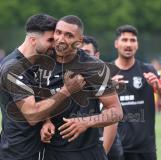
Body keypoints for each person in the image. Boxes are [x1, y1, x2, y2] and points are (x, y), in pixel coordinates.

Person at [0, 14, 86, 160]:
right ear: (33, 40)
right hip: (18, 153)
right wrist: (66, 91)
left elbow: (41, 95)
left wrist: (47, 120)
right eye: (50, 40)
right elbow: (32, 114)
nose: (54, 44)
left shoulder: (39, 62)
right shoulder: (14, 68)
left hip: (38, 150)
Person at [40, 15, 123, 160]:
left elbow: (116, 111)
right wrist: (45, 121)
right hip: (52, 152)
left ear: (79, 41)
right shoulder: (43, 62)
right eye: (58, 32)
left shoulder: (94, 67)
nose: (61, 39)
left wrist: (86, 122)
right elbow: (39, 98)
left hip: (86, 153)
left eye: (68, 35)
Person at [111, 24, 161, 160]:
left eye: (133, 40)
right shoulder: (107, 72)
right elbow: (95, 108)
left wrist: (159, 87)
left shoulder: (148, 70)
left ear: (137, 44)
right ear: (116, 43)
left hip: (145, 149)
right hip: (116, 148)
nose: (129, 44)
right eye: (124, 40)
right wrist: (109, 88)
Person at [81, 35, 124, 160]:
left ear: (97, 55)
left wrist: (102, 154)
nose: (82, 56)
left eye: (87, 53)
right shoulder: (72, 82)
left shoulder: (102, 82)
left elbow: (113, 121)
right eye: (80, 52)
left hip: (105, 151)